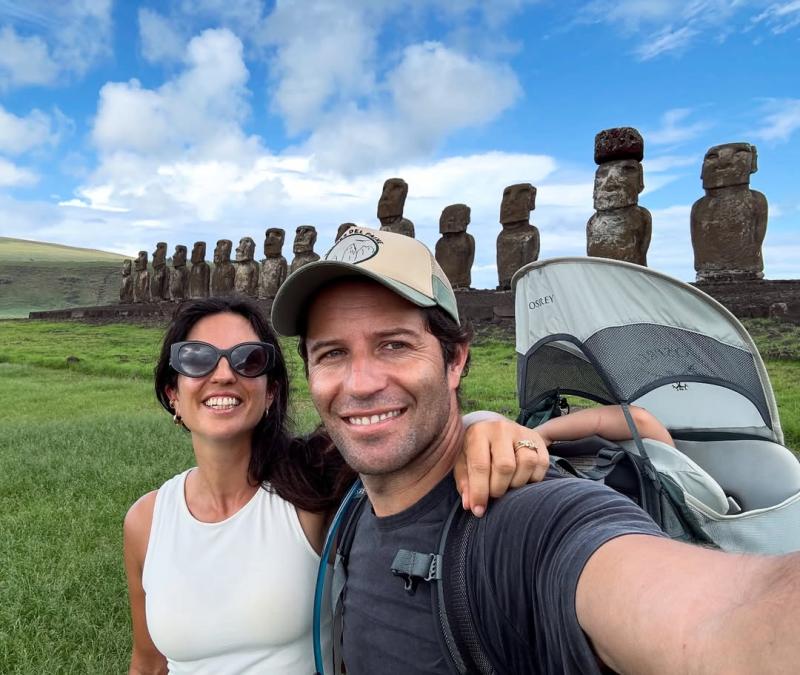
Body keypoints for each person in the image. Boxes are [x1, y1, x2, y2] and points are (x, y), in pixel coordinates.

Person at [271, 225, 800, 674]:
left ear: (455, 360)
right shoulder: (352, 499)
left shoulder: (533, 519)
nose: (360, 383)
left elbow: (719, 616)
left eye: (394, 345)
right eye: (333, 353)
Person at [122, 297, 548, 674]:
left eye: (248, 359)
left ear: (270, 391)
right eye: (196, 358)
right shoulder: (147, 521)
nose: (222, 374)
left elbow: (404, 439)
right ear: (172, 392)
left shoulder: (311, 487)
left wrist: (484, 423)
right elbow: (148, 663)